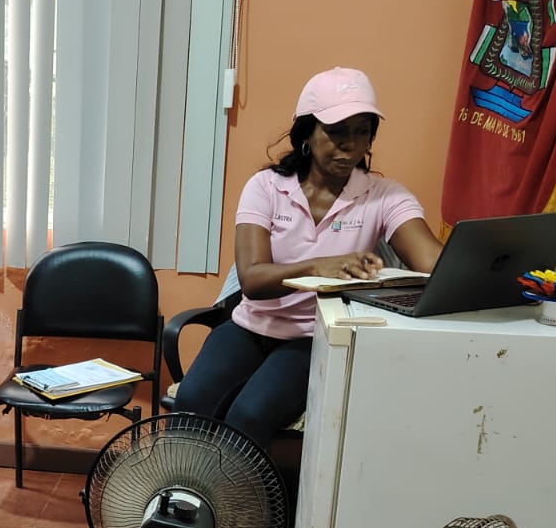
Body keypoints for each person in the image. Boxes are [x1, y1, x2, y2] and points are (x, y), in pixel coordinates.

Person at [171, 66, 443, 447]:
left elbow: (434, 264)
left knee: (249, 414)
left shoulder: (384, 196)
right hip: (249, 326)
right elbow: (252, 281)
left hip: (312, 338)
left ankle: (236, 489)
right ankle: (185, 483)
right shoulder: (267, 188)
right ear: (307, 133)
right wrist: (320, 267)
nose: (350, 145)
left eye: (362, 131)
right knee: (191, 400)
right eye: (336, 131)